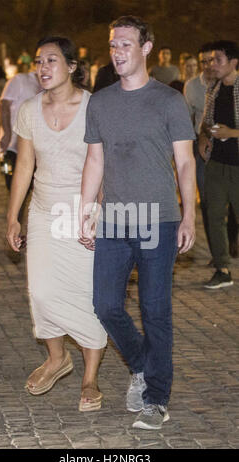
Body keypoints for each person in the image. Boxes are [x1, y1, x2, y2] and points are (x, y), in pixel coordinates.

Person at [80, 15, 196, 429]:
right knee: (105, 304)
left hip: (159, 220)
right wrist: (86, 208)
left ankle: (156, 397)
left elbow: (184, 162)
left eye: (126, 44)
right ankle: (144, 364)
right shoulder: (101, 101)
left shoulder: (169, 101)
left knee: (155, 310)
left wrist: (189, 215)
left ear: (147, 48)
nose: (117, 52)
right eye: (113, 45)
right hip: (114, 219)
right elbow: (95, 159)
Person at [6, 36, 107, 411]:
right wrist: (12, 215)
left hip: (83, 213)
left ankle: (90, 377)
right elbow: (25, 166)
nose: (43, 67)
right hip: (44, 211)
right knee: (42, 293)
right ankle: (57, 357)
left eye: (51, 60)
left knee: (85, 295)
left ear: (72, 67)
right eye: (38, 61)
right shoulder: (29, 109)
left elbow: (105, 164)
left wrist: (100, 214)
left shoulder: (94, 108)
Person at [199, 40, 239, 289]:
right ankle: (222, 269)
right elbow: (205, 121)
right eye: (212, 60)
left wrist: (232, 133)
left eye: (218, 60)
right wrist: (204, 136)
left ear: (234, 62)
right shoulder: (213, 89)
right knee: (214, 217)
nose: (213, 64)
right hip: (215, 162)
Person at [184, 44, 215, 250]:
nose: (207, 65)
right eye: (203, 61)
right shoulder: (192, 86)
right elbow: (187, 119)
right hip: (200, 143)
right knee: (205, 197)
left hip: (227, 144)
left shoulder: (229, 84)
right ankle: (215, 247)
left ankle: (230, 237)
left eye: (210, 61)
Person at [0, 64, 41, 190]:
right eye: (40, 61)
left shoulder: (50, 84)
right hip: (14, 144)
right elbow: (3, 105)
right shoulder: (21, 80)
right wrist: (7, 133)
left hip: (38, 146)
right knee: (16, 187)